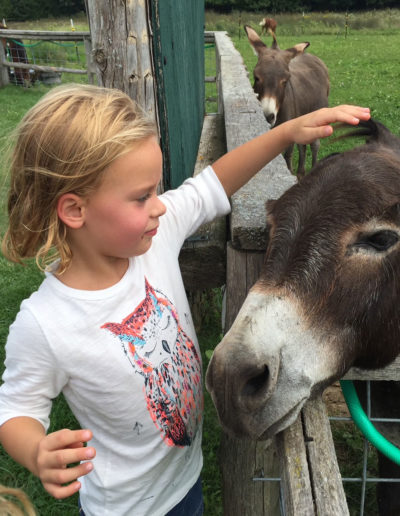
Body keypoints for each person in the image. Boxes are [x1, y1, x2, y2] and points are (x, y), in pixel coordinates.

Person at [0, 83, 370, 516]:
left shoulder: (152, 239)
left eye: (156, 191)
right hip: (125, 508)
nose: (159, 207)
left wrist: (286, 132)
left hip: (184, 480)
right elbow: (15, 409)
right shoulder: (45, 323)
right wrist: (36, 450)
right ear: (75, 211)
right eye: (142, 197)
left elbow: (211, 183)